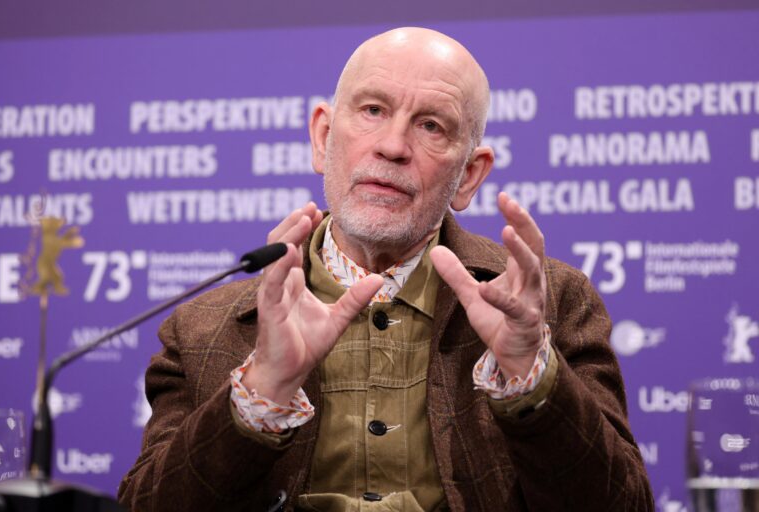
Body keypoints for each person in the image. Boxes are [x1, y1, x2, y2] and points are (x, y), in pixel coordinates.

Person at [119, 27, 653, 511]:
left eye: (431, 126)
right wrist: (263, 388)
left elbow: (623, 505)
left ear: (469, 175)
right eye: (373, 110)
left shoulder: (553, 303)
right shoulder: (201, 331)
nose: (393, 147)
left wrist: (530, 375)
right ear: (323, 137)